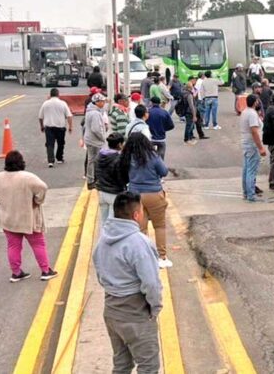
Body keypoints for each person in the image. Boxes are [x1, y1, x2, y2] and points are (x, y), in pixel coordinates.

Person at [93, 192, 162, 374]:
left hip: (111, 310)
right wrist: (154, 309)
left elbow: (100, 274)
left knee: (122, 364)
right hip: (135, 313)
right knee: (149, 366)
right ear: (136, 215)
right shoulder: (139, 243)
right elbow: (152, 284)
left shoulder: (103, 240)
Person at [0, 151, 58, 282]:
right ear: (21, 162)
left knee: (13, 246)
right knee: (38, 244)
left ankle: (16, 272)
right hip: (28, 219)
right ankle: (45, 270)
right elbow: (42, 187)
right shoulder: (28, 177)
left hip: (8, 219)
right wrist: (37, 201)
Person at [123, 133, 171, 268]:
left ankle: (143, 257)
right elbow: (164, 172)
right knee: (159, 225)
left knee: (140, 228)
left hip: (134, 195)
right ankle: (161, 257)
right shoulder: (152, 156)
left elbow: (123, 174)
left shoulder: (127, 157)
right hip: (154, 193)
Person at [95, 133, 127, 227]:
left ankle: (103, 240)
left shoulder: (100, 156)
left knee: (104, 223)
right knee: (115, 224)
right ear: (120, 144)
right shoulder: (118, 158)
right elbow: (121, 177)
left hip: (102, 191)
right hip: (114, 193)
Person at [239, 94, 267, 201]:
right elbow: (254, 131)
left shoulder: (245, 112)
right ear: (255, 102)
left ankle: (246, 192)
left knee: (246, 169)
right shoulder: (252, 114)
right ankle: (251, 194)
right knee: (251, 170)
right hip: (252, 145)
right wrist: (260, 147)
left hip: (246, 143)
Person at [38, 88, 73, 168]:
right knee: (61, 143)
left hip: (49, 127)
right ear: (58, 94)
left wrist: (41, 126)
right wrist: (70, 126)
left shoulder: (45, 103)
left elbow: (40, 117)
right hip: (60, 127)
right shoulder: (63, 103)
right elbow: (69, 116)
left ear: (50, 95)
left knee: (49, 144)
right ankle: (59, 158)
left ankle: (50, 161)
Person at [84, 93, 109, 189]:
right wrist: (103, 137)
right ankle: (96, 180)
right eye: (102, 101)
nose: (103, 103)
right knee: (97, 161)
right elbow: (96, 129)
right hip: (95, 141)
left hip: (90, 139)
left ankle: (90, 180)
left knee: (91, 160)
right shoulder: (95, 113)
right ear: (97, 102)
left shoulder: (90, 111)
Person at [180, 76, 200, 144]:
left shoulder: (184, 93)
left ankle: (189, 138)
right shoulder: (189, 95)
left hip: (186, 111)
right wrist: (194, 115)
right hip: (190, 112)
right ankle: (187, 139)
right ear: (190, 88)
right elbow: (191, 106)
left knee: (189, 125)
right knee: (189, 126)